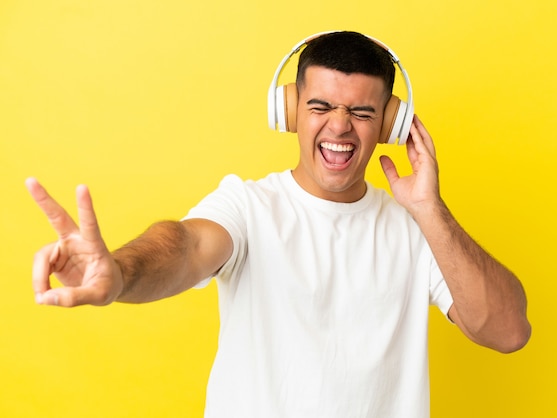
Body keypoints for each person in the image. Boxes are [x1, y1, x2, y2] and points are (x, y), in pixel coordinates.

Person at [27, 31, 531, 418]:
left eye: (361, 112)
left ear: (390, 124)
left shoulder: (417, 231)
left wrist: (431, 210)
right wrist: (119, 273)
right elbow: (183, 245)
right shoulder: (247, 207)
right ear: (290, 112)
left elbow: (508, 331)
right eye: (320, 106)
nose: (339, 126)